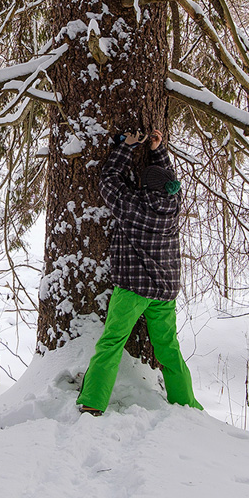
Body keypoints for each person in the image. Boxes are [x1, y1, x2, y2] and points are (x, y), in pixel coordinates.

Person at [76, 128, 204, 416]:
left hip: (133, 289)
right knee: (168, 349)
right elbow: (169, 179)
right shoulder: (174, 205)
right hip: (164, 291)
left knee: (112, 342)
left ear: (145, 188)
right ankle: (186, 403)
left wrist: (127, 147)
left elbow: (109, 181)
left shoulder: (133, 206)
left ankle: (93, 401)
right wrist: (158, 151)